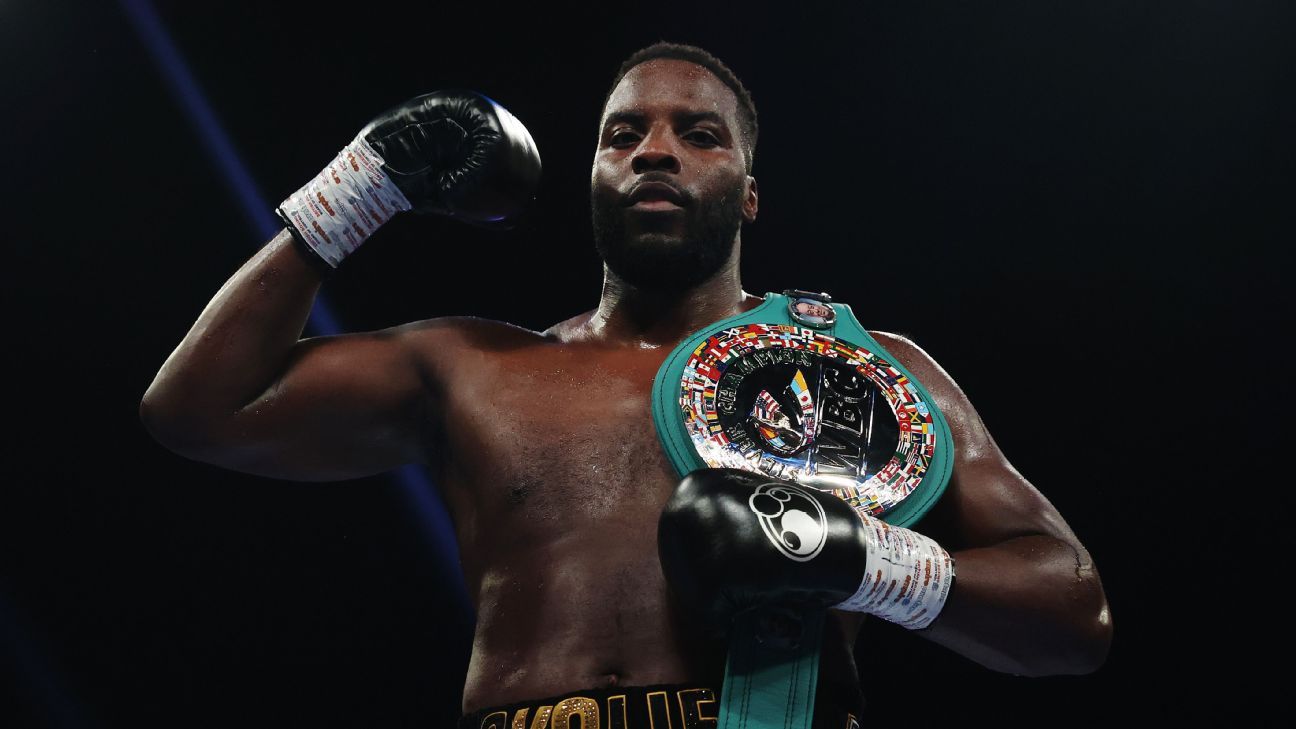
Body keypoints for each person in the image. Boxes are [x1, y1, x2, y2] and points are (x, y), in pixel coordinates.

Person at [141, 42, 1111, 729]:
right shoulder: (477, 367)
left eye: (700, 134)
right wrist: (363, 186)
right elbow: (199, 407)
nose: (655, 149)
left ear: (750, 191)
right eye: (623, 134)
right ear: (595, 177)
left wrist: (861, 560)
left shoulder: (857, 373)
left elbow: (1074, 609)